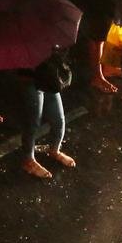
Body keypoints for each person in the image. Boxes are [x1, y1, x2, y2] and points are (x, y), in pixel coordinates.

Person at [20, 47, 75, 179]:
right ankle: (28, 160)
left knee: (58, 119)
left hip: (49, 74)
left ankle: (54, 150)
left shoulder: (50, 31)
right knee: (33, 122)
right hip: (31, 78)